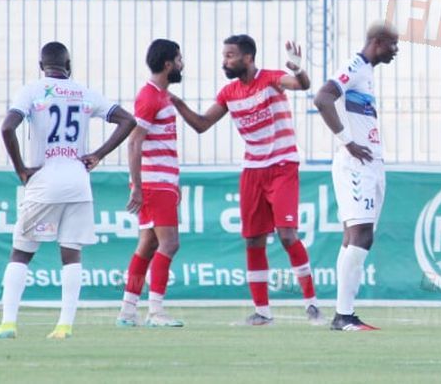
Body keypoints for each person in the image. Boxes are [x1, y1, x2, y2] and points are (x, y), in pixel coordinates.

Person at [0, 42, 136, 339]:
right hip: (78, 182)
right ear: (68, 65)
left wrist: (21, 168)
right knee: (71, 254)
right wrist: (99, 154)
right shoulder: (84, 92)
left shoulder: (32, 90)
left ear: (41, 67)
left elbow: (7, 128)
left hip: (45, 181)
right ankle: (64, 326)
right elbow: (128, 120)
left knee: (21, 253)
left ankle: (8, 324)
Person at [171, 35, 321, 325]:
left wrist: (298, 69)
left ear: (248, 58)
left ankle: (312, 304)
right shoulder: (229, 93)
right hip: (253, 170)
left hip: (282, 164)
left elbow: (301, 85)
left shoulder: (270, 79)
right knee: (253, 239)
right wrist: (176, 102)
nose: (224, 61)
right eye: (224, 56)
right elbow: (202, 124)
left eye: (230, 56)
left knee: (287, 235)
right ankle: (263, 312)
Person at [313, 23, 398, 331]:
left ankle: (344, 313)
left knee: (354, 237)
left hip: (370, 163)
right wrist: (347, 141)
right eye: (392, 44)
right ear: (378, 42)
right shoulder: (355, 66)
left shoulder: (367, 72)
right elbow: (323, 98)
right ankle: (343, 315)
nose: (396, 51)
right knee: (361, 235)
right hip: (356, 165)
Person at [115, 39, 186, 328]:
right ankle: (155, 311)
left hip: (161, 181)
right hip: (155, 182)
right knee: (170, 244)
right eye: (179, 60)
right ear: (168, 64)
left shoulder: (161, 96)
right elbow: (134, 142)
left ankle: (127, 310)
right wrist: (138, 186)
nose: (182, 65)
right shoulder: (150, 97)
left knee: (147, 245)